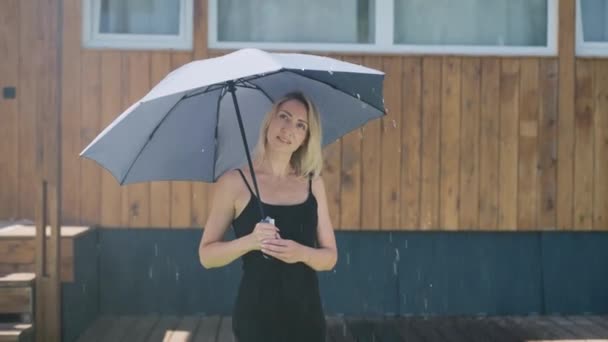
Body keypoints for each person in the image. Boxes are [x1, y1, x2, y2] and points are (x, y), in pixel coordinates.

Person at [198, 91, 338, 342]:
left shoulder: (312, 183)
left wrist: (302, 253)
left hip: (306, 316)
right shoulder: (234, 183)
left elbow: (329, 258)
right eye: (283, 117)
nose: (288, 129)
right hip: (256, 318)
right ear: (269, 121)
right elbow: (206, 256)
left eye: (300, 125)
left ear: (306, 137)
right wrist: (249, 242)